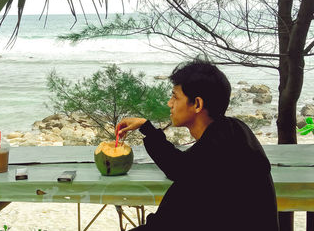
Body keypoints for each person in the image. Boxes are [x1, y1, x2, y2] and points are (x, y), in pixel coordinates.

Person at [117, 60, 279, 230]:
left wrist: (148, 130)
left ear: (197, 104)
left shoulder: (216, 155)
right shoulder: (234, 131)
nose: (169, 103)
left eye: (175, 96)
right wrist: (146, 128)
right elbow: (180, 167)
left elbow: (182, 177)